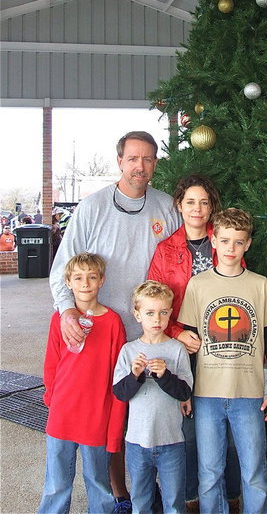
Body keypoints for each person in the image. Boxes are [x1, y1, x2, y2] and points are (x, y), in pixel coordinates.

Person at [49, 131, 182, 513]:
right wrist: (68, 311)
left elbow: (179, 263)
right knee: (109, 414)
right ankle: (118, 491)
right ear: (120, 161)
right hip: (102, 332)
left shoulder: (165, 208)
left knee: (147, 413)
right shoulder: (92, 208)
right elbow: (64, 268)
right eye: (133, 159)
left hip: (150, 331)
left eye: (149, 159)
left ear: (156, 164)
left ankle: (145, 489)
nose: (140, 166)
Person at [178, 208, 267, 514]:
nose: (231, 249)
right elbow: (189, 341)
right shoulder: (198, 285)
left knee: (253, 472)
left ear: (248, 244)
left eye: (238, 242)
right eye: (225, 241)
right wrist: (186, 390)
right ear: (213, 240)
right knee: (209, 474)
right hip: (206, 395)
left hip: (248, 395)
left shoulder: (259, 284)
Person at [147, 175, 241, 513]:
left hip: (221, 348)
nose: (197, 209)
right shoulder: (166, 250)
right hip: (181, 350)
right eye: (190, 202)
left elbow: (240, 295)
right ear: (179, 205)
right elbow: (153, 301)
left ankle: (232, 496)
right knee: (185, 431)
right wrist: (174, 332)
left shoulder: (226, 243)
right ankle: (190, 498)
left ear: (212, 206)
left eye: (204, 202)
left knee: (227, 428)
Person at [39, 253, 127, 514]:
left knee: (99, 483)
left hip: (96, 416)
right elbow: (51, 364)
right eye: (78, 277)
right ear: (68, 282)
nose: (85, 283)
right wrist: (52, 400)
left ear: (102, 280)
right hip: (62, 414)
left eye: (91, 277)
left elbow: (118, 376)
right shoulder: (60, 320)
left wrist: (113, 427)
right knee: (56, 482)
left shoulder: (112, 323)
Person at [113, 281, 193, 514]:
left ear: (170, 313)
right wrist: (135, 375)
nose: (157, 319)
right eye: (149, 313)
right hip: (138, 442)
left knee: (174, 504)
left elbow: (184, 391)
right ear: (138, 315)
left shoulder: (176, 349)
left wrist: (164, 375)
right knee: (141, 501)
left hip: (171, 441)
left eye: (163, 312)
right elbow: (120, 393)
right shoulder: (128, 351)